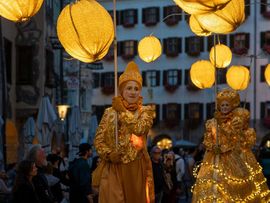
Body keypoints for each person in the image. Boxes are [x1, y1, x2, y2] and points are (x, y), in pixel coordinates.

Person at [93, 61, 156, 203]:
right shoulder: (109, 113)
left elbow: (139, 129)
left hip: (136, 168)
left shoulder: (145, 112)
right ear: (122, 90)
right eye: (129, 88)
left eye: (136, 88)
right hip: (113, 167)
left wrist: (122, 111)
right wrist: (109, 155)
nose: (133, 92)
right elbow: (98, 140)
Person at [192, 89, 268, 202]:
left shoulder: (235, 121)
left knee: (234, 182)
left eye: (227, 105)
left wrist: (226, 141)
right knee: (212, 184)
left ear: (231, 106)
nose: (224, 107)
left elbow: (235, 138)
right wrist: (213, 147)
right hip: (214, 157)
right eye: (222, 105)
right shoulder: (212, 122)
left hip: (230, 155)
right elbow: (207, 140)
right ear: (219, 106)